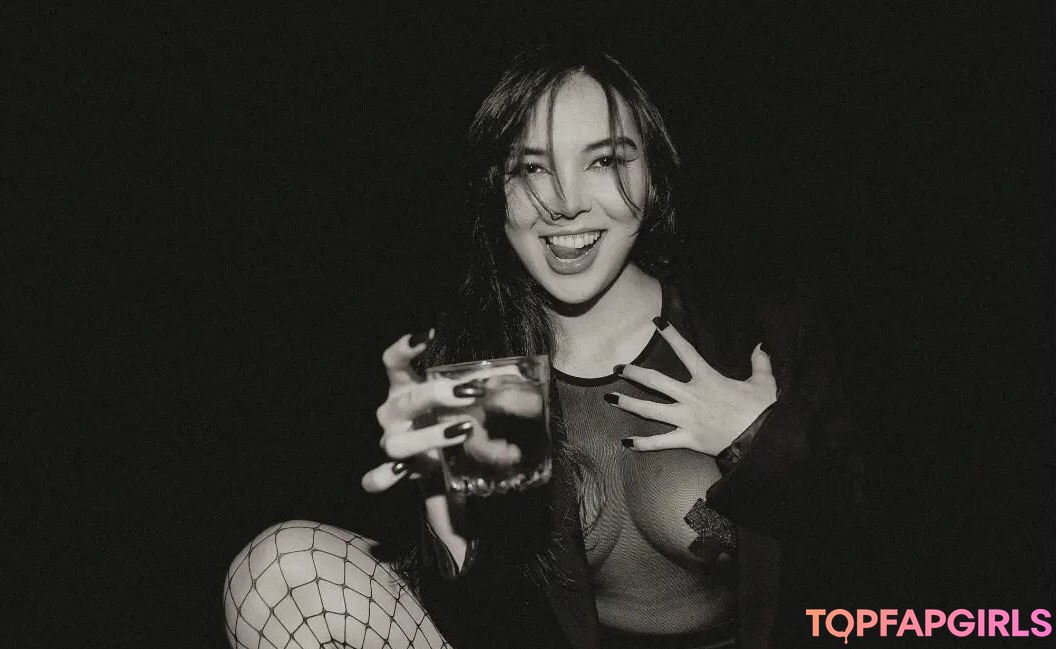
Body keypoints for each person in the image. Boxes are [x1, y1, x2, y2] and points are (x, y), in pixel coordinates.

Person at [223, 44, 863, 649]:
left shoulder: (757, 325)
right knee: (277, 568)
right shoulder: (485, 365)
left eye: (604, 161)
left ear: (653, 175)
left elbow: (868, 555)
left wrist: (759, 438)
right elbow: (493, 623)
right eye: (531, 168)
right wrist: (447, 517)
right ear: (496, 190)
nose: (563, 203)